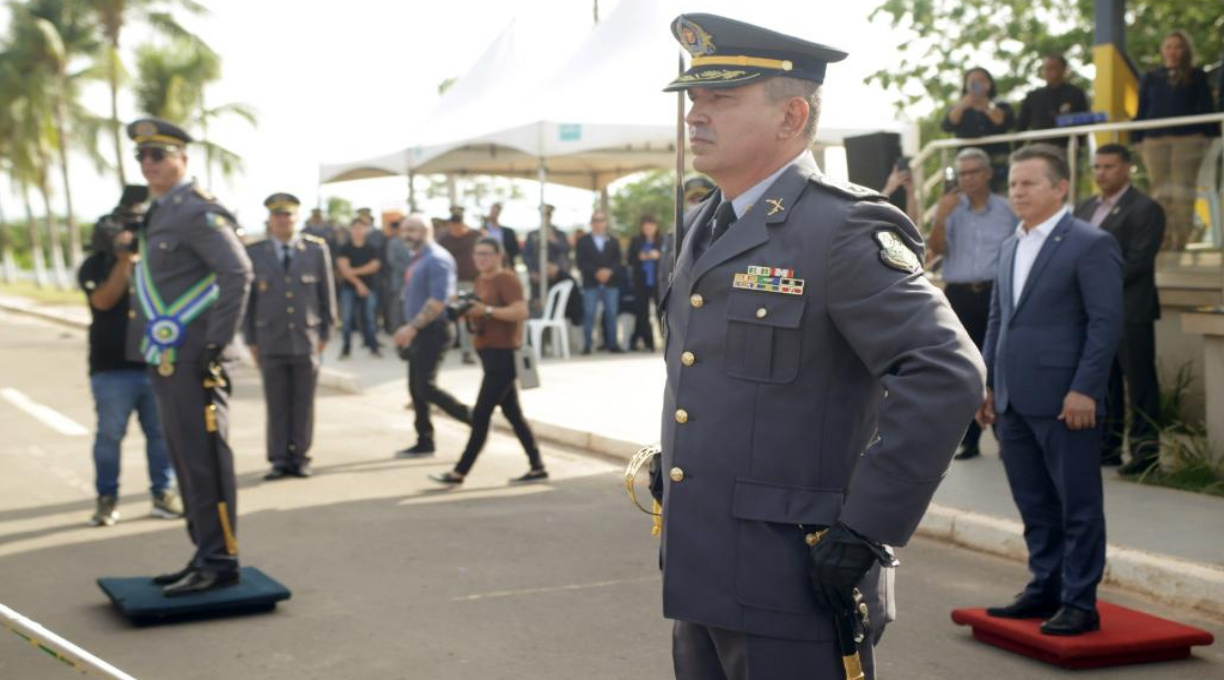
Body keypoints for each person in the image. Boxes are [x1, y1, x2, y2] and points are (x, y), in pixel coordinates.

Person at [655, 14, 985, 679]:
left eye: (721, 97)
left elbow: (945, 371)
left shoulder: (840, 227)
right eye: (694, 97)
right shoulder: (704, 222)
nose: (696, 113)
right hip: (702, 562)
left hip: (793, 572)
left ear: (792, 114)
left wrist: (868, 527)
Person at [978, 144, 1123, 636]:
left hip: (1067, 401)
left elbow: (1105, 324)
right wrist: (989, 383)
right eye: (1013, 183)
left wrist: (1086, 389)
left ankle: (1080, 601)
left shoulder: (1089, 242)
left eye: (1028, 183)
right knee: (1034, 502)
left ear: (1060, 188)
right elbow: (998, 320)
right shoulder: (1009, 245)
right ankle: (1045, 587)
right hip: (1014, 399)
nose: (1017, 191)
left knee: (1078, 505)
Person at [124, 117, 253, 597]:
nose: (148, 164)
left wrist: (215, 346)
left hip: (196, 358)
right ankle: (204, 552)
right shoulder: (160, 211)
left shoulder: (198, 211)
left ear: (182, 157)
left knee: (203, 459)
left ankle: (220, 560)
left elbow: (238, 272)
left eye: (158, 154)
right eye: (141, 156)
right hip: (169, 358)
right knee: (184, 456)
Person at [78, 190, 182, 527]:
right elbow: (104, 302)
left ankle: (163, 494)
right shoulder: (96, 264)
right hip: (111, 368)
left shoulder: (159, 262)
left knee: (161, 435)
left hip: (156, 362)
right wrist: (124, 261)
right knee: (109, 437)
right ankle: (107, 499)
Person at [1073, 144, 1166, 474]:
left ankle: (1145, 454)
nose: (1101, 173)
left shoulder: (1146, 209)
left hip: (1131, 311)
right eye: (1097, 167)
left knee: (1139, 383)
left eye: (1109, 167)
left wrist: (1090, 282)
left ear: (1127, 168)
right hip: (1092, 313)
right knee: (1104, 380)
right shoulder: (1083, 207)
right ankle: (1107, 447)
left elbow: (1138, 262)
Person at [428, 237, 546, 486]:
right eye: (477, 254)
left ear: (498, 255)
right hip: (488, 354)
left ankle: (459, 472)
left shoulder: (507, 279)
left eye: (486, 254)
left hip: (504, 355)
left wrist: (488, 311)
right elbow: (479, 312)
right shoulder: (481, 281)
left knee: (481, 415)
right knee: (514, 415)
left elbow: (521, 311)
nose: (481, 258)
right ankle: (537, 466)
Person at [927, 147, 1018, 460]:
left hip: (997, 292)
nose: (968, 179)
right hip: (960, 294)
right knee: (964, 367)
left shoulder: (1008, 209)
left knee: (1000, 363)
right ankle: (969, 438)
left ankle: (1006, 435)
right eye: (963, 173)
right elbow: (935, 250)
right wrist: (940, 216)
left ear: (988, 173)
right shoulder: (950, 210)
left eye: (974, 172)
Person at [243, 193, 336, 481]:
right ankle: (279, 458)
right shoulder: (255, 252)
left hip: (306, 338)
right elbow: (248, 303)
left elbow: (326, 295)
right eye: (278, 216)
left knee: (304, 401)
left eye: (288, 215)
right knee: (276, 402)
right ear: (270, 220)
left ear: (297, 218)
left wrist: (326, 332)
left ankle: (301, 456)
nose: (283, 221)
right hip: (270, 338)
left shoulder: (315, 250)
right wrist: (251, 340)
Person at [392, 215, 472, 457]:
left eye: (414, 230)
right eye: (405, 230)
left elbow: (438, 301)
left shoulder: (437, 259)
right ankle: (424, 440)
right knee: (416, 389)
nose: (408, 234)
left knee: (426, 388)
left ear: (427, 231)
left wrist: (412, 328)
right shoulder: (417, 258)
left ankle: (474, 419)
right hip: (418, 331)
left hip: (433, 330)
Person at [1133, 30, 1216, 251]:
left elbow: (1206, 106)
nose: (1173, 51)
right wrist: (1137, 138)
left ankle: (1181, 239)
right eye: (1169, 46)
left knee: (1182, 189)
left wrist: (1210, 135)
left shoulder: (1196, 75)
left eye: (1178, 46)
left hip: (1187, 138)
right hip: (1154, 139)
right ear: (1162, 50)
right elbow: (1142, 109)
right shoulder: (1151, 77)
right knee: (1159, 190)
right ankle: (1162, 239)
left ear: (1186, 50)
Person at [942, 67, 1016, 192]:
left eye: (981, 81)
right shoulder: (958, 107)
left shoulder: (1000, 104)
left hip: (997, 161)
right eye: (972, 81)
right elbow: (947, 125)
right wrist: (963, 105)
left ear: (989, 84)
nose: (976, 85)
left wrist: (986, 104)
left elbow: (1005, 122)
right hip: (967, 162)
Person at [436, 205, 481, 364]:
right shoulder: (443, 238)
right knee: (446, 317)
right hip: (449, 282)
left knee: (466, 317)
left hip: (470, 281)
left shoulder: (475, 236)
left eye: (458, 223)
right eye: (453, 223)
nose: (455, 227)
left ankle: (467, 351)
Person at [575, 211, 623, 354]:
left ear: (605, 222)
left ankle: (613, 344)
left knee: (611, 314)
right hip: (591, 282)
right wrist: (597, 272)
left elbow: (618, 261)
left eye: (601, 220)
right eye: (596, 220)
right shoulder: (583, 241)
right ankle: (587, 345)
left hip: (611, 283)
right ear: (591, 223)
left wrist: (609, 272)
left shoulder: (613, 240)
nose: (598, 223)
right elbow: (581, 261)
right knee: (589, 313)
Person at [1016, 54, 1089, 147]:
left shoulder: (1076, 93)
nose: (1048, 72)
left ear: (1064, 69)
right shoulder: (1033, 96)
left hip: (1066, 149)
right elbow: (1021, 124)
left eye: (1053, 68)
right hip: (1039, 148)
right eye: (1046, 68)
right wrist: (1017, 148)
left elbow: (1085, 121)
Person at [336, 217, 382, 358]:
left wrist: (353, 271)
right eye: (355, 227)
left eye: (361, 227)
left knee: (370, 318)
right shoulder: (344, 248)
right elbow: (343, 268)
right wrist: (358, 283)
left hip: (369, 288)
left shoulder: (372, 248)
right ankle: (346, 349)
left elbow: (374, 267)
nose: (358, 231)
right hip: (349, 288)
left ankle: (373, 347)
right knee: (347, 319)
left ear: (366, 230)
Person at [626, 215, 663, 351]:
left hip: (658, 282)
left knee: (661, 312)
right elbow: (629, 259)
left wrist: (658, 256)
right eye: (646, 226)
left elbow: (671, 259)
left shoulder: (662, 240)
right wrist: (639, 257)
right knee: (643, 313)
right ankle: (649, 343)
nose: (648, 229)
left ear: (656, 227)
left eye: (651, 226)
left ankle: (665, 340)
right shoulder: (636, 241)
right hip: (641, 283)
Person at [384, 218, 414, 332]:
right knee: (397, 307)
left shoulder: (414, 241)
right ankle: (396, 330)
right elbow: (392, 261)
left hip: (414, 281)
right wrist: (409, 270)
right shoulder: (393, 242)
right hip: (399, 280)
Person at [482, 202, 521, 269]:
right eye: (492, 211)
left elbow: (515, 250)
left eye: (496, 211)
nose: (494, 214)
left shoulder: (508, 232)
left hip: (505, 265)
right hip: (487, 265)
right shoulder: (482, 231)